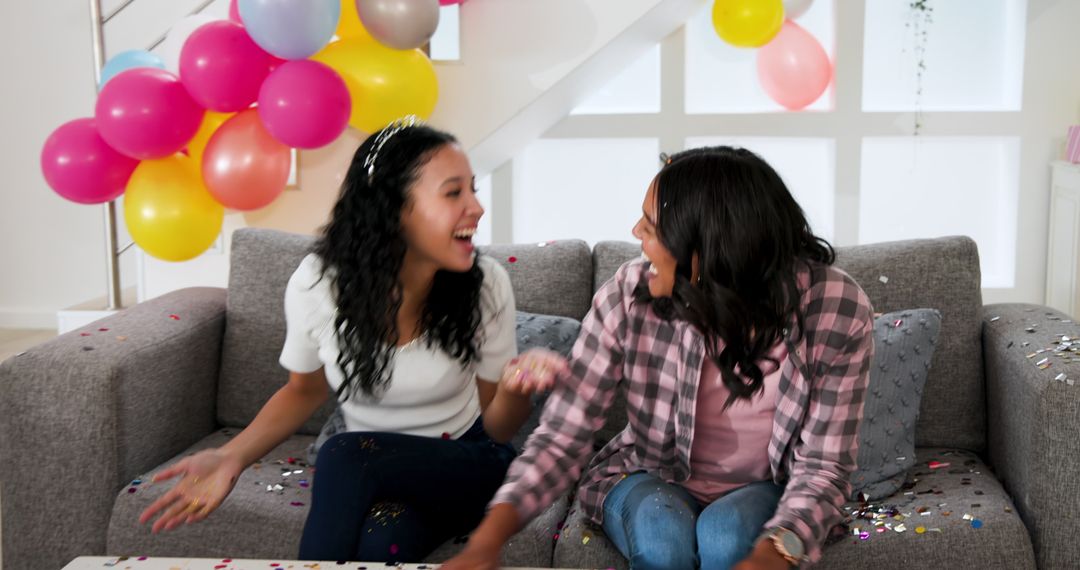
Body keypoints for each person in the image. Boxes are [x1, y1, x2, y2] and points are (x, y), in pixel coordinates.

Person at [138, 117, 563, 563]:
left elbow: (498, 427)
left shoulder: (485, 284)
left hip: (465, 461)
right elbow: (303, 390)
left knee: (344, 454)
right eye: (454, 192)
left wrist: (516, 390)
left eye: (473, 190)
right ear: (393, 207)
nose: (477, 207)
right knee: (379, 542)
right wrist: (230, 456)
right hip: (373, 468)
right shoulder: (317, 284)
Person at [443, 146, 875, 570]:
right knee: (661, 539)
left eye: (651, 224)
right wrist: (487, 540)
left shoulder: (834, 305)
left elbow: (823, 466)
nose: (635, 232)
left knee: (725, 536)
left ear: (705, 250)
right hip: (646, 475)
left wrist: (774, 554)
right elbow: (563, 435)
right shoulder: (629, 294)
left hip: (767, 487)